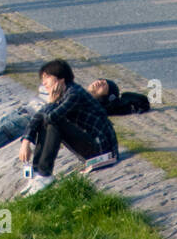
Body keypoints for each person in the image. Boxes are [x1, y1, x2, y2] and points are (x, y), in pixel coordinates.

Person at [0, 73, 148, 191]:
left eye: (104, 86)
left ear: (105, 98)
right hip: (22, 112)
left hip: (25, 121)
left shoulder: (83, 104)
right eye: (99, 80)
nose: (98, 82)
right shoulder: (74, 93)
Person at [20, 60, 118, 195]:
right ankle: (37, 173)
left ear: (60, 79)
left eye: (47, 78)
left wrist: (51, 102)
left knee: (53, 122)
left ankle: (45, 174)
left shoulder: (74, 93)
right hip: (91, 147)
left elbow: (51, 118)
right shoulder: (63, 92)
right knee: (46, 119)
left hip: (103, 152)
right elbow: (38, 117)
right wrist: (26, 142)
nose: (44, 83)